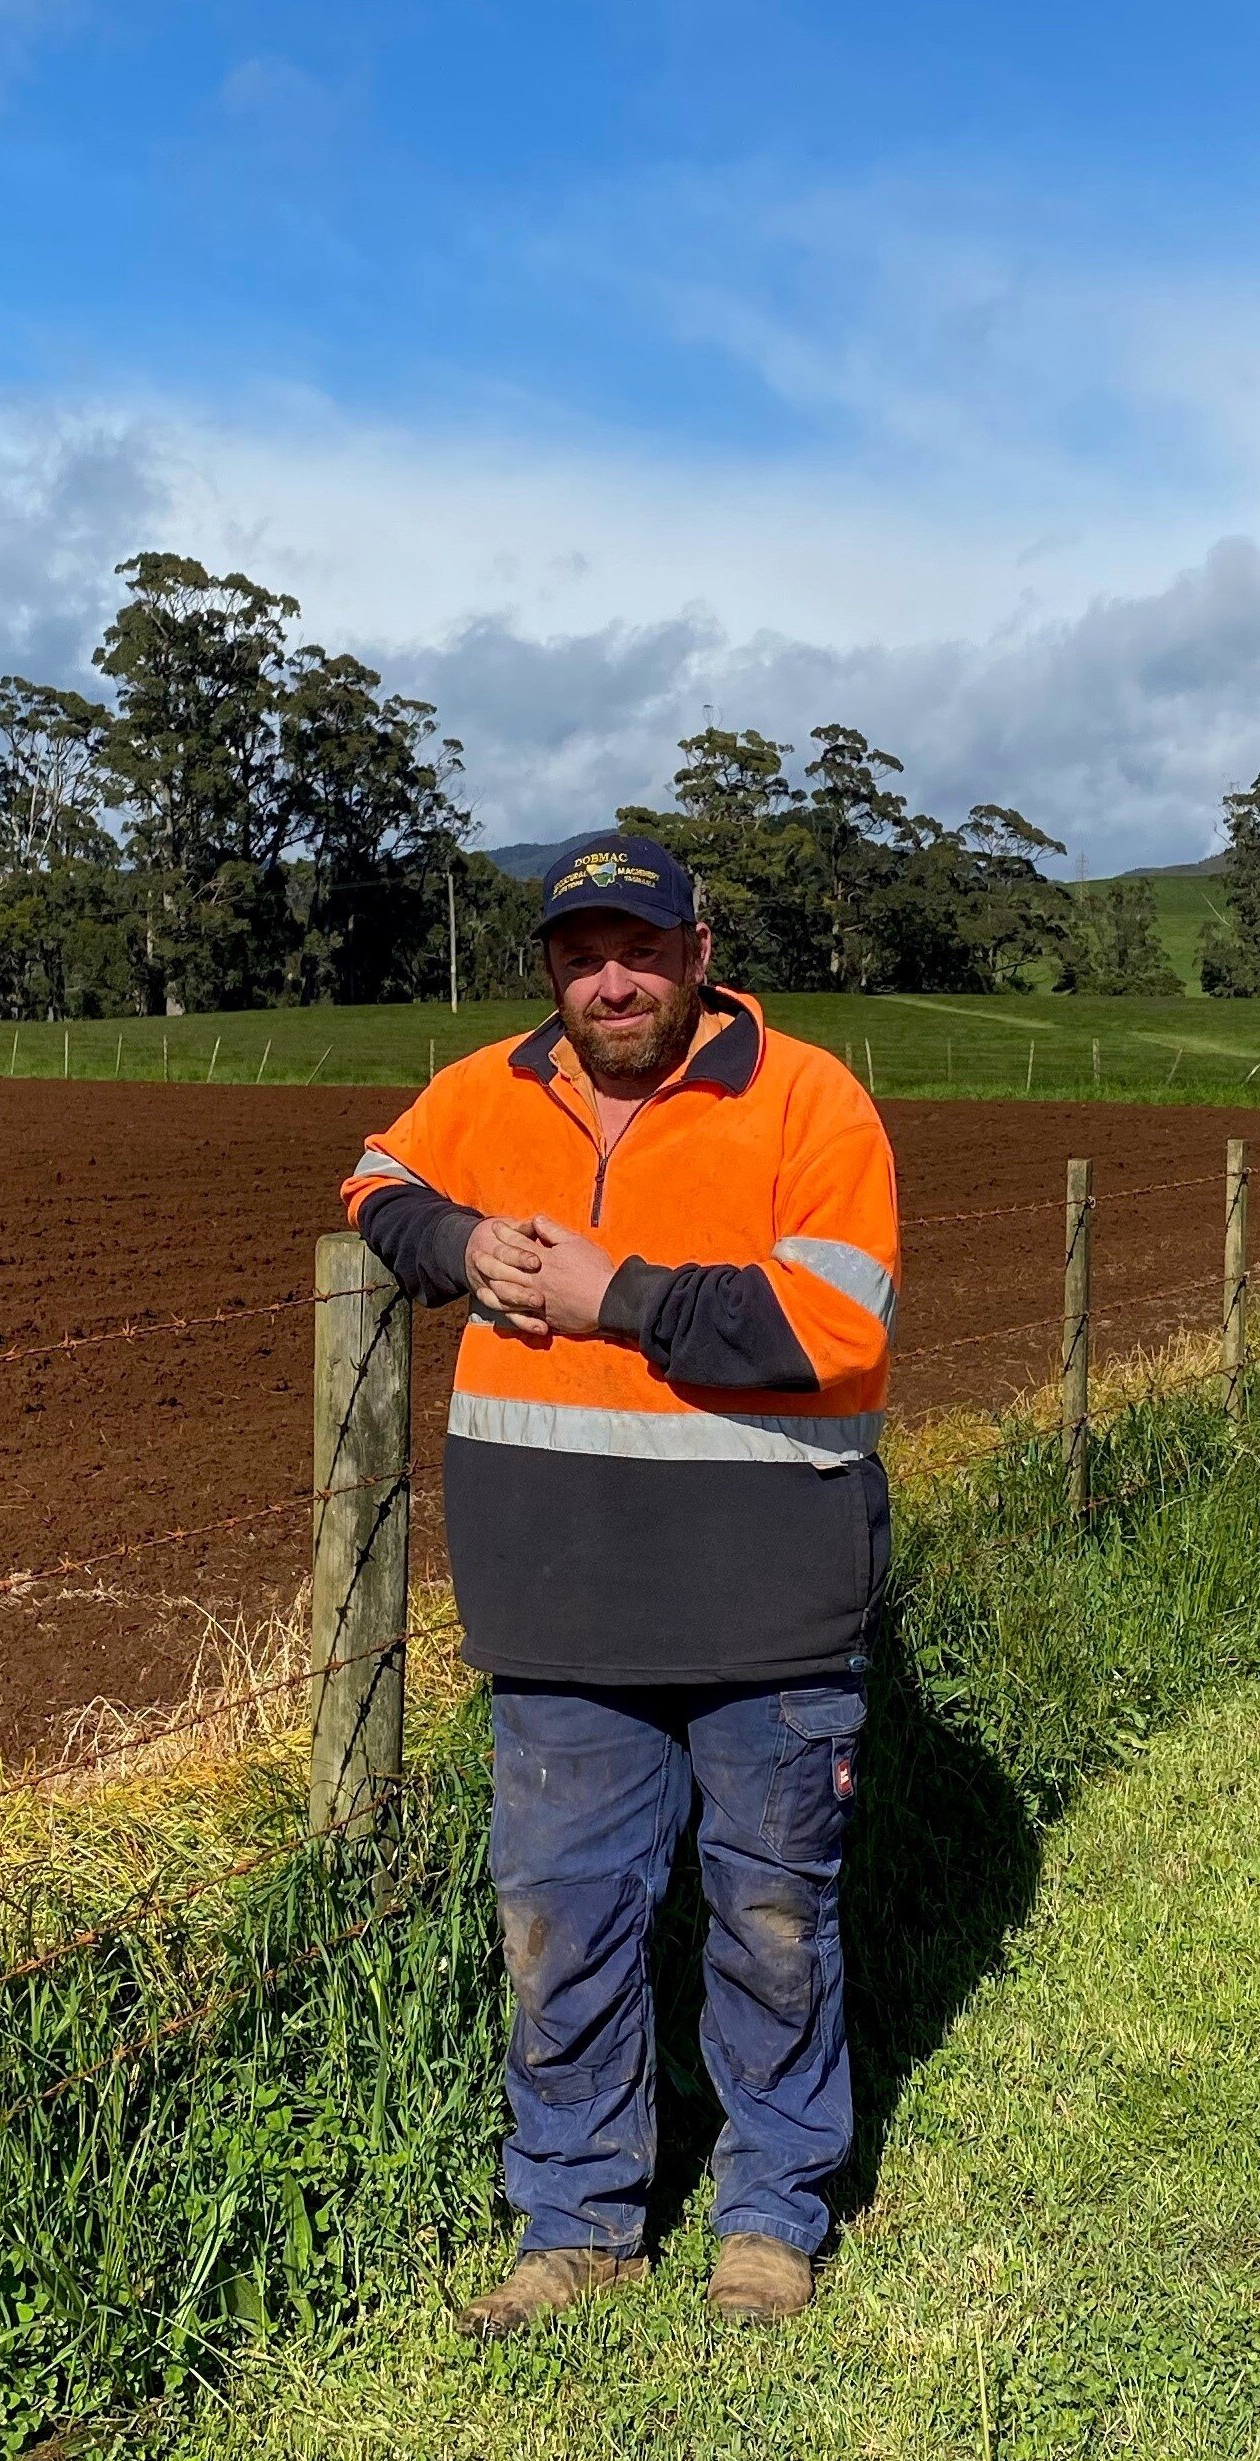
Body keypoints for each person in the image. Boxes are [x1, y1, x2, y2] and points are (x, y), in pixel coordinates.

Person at [342, 832, 898, 2332]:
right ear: (550, 968)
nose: (612, 980)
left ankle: (770, 2213)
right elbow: (375, 1176)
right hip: (561, 1605)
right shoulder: (489, 1091)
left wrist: (614, 1296)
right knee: (563, 1923)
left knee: (772, 1917)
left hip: (769, 1606)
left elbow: (837, 1326)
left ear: (699, 953)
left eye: (639, 949)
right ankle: (576, 2221)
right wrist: (453, 1239)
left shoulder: (806, 1097)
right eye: (582, 952)